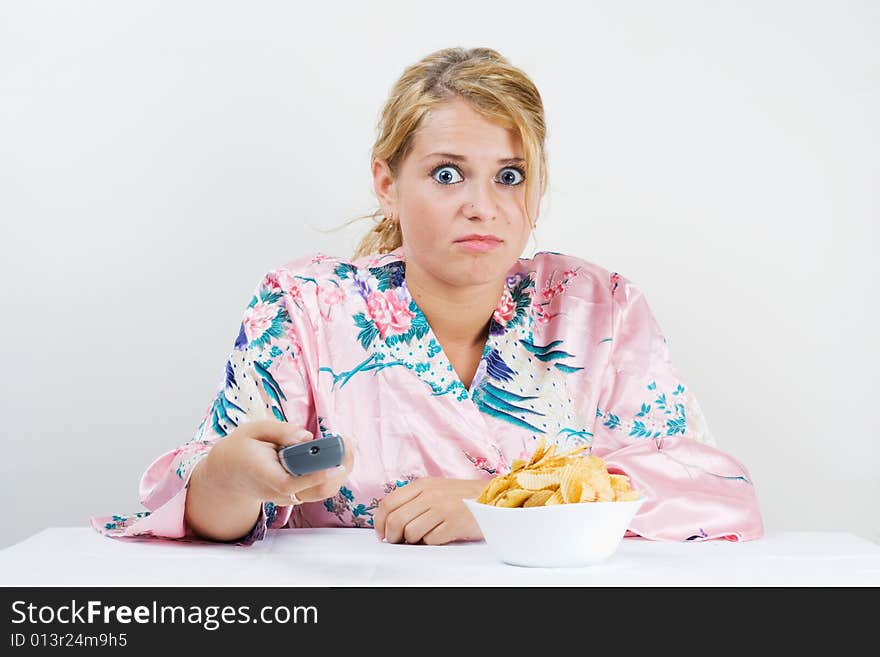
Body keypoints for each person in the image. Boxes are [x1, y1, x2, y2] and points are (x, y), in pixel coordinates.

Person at [90, 47, 763, 547]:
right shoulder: (306, 309)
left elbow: (713, 492)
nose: (484, 207)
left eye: (509, 175)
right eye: (447, 174)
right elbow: (200, 515)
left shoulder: (598, 309)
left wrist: (496, 505)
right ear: (387, 183)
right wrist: (233, 478)